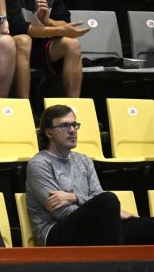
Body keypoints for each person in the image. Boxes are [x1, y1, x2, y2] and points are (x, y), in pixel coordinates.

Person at [26, 104, 154, 246]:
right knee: (108, 200)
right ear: (49, 133)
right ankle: (113, 259)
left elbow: (97, 195)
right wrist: (108, 213)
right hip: (55, 233)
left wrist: (75, 198)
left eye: (74, 125)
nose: (72, 130)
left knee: (149, 227)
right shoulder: (39, 164)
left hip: (92, 224)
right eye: (64, 126)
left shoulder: (84, 160)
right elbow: (61, 211)